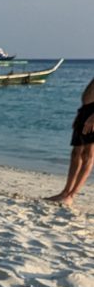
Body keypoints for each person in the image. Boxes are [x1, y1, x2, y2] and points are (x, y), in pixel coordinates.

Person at [47, 76, 94, 207]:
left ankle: (72, 195)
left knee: (88, 155)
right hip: (86, 110)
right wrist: (81, 113)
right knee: (75, 154)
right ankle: (65, 192)